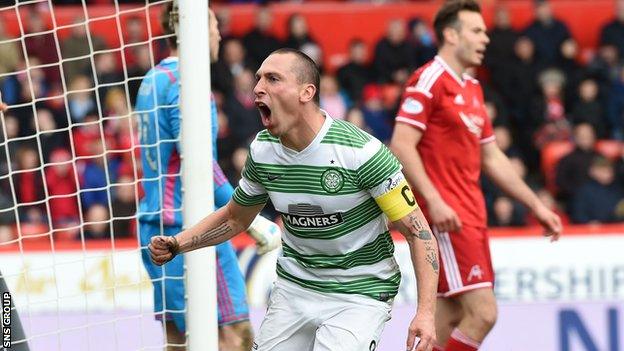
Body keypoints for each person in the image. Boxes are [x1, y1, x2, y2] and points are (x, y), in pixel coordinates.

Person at [149, 48, 440, 351]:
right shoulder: (263, 150)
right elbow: (236, 217)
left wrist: (426, 313)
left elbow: (418, 233)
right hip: (295, 287)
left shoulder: (361, 153)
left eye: (273, 79)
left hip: (360, 291)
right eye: (259, 79)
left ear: (306, 92)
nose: (259, 87)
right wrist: (178, 244)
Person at [389, 1, 563, 350]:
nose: (486, 38)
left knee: (447, 317)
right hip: (448, 216)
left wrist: (536, 204)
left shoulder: (472, 88)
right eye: (477, 30)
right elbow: (401, 144)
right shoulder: (430, 78)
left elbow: (492, 156)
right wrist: (434, 201)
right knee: (483, 312)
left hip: (471, 212)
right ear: (451, 35)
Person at [135, 5, 281, 351]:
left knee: (179, 341)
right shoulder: (186, 83)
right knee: (235, 337)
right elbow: (198, 163)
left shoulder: (151, 80)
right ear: (196, 30)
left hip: (153, 224)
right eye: (215, 26)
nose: (218, 35)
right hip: (191, 228)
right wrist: (250, 219)